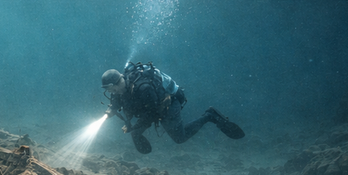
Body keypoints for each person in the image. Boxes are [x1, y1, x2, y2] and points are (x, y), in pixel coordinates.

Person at [101, 62, 244, 154]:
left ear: (119, 81)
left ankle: (209, 116)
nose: (113, 93)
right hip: (151, 109)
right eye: (111, 92)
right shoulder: (120, 89)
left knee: (180, 138)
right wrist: (109, 112)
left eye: (113, 89)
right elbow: (116, 102)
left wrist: (134, 127)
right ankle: (136, 134)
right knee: (135, 132)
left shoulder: (144, 88)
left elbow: (151, 114)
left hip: (169, 103)